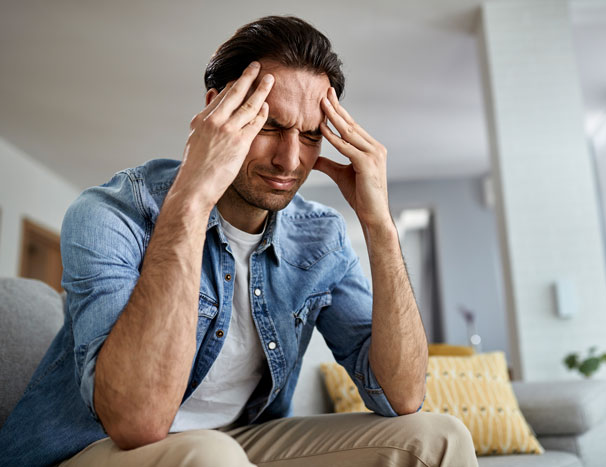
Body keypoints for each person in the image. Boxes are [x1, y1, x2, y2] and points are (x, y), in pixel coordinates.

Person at [0, 16, 478, 467]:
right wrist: (190, 201)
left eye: (311, 136)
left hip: (238, 443)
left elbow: (401, 396)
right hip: (96, 447)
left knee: (439, 437)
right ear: (216, 111)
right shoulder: (112, 212)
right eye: (270, 126)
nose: (290, 160)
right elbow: (136, 422)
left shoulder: (320, 236)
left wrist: (380, 227)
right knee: (210, 456)